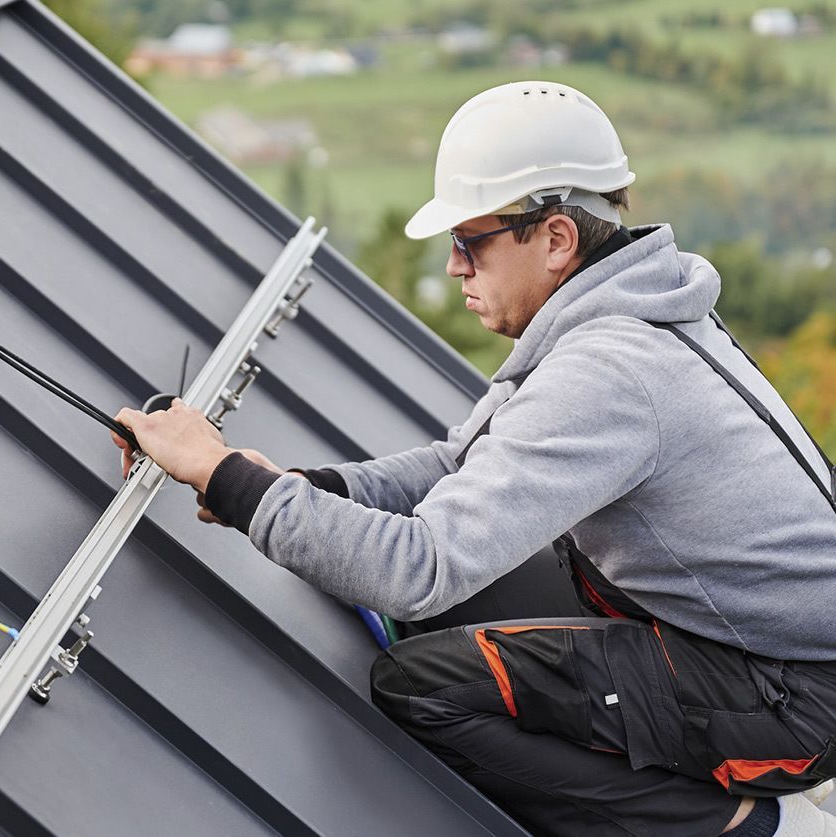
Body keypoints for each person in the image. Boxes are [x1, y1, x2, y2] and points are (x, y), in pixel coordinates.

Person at [111, 81, 836, 836]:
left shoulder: (610, 370)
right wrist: (291, 486)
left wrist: (227, 481)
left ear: (556, 238)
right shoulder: (616, 310)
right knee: (447, 606)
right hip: (734, 642)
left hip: (792, 697)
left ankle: (761, 826)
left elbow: (417, 568)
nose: (456, 266)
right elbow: (461, 465)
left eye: (470, 241)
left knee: (425, 686)